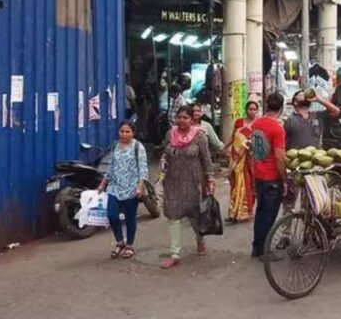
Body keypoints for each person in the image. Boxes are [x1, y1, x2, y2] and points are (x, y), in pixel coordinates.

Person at [160, 105, 215, 269]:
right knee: (173, 215)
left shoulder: (199, 136)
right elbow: (165, 151)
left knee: (195, 215)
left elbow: (206, 160)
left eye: (185, 118)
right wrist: (163, 160)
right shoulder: (171, 134)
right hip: (172, 181)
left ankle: (200, 239)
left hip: (194, 181)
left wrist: (210, 179)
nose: (182, 121)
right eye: (179, 118)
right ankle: (175, 253)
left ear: (192, 119)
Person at [97, 121, 149, 259]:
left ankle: (130, 245)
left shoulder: (138, 147)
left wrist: (140, 186)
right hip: (114, 187)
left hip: (131, 188)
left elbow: (143, 168)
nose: (124, 134)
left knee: (130, 218)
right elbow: (111, 166)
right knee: (112, 215)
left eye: (127, 132)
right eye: (122, 131)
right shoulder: (115, 146)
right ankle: (119, 241)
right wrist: (103, 184)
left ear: (133, 133)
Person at [250, 93, 287, 258]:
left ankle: (256, 248)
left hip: (258, 174)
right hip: (272, 177)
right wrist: (284, 179)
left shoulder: (256, 123)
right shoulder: (277, 128)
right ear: (281, 107)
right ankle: (265, 250)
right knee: (269, 216)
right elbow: (280, 157)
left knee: (260, 213)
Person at [225, 100, 259, 223]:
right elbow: (233, 137)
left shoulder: (258, 124)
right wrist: (225, 147)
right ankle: (233, 211)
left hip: (250, 159)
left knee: (249, 185)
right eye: (250, 109)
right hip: (236, 158)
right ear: (246, 110)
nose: (252, 111)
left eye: (254, 109)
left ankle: (244, 212)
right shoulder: (239, 122)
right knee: (235, 184)